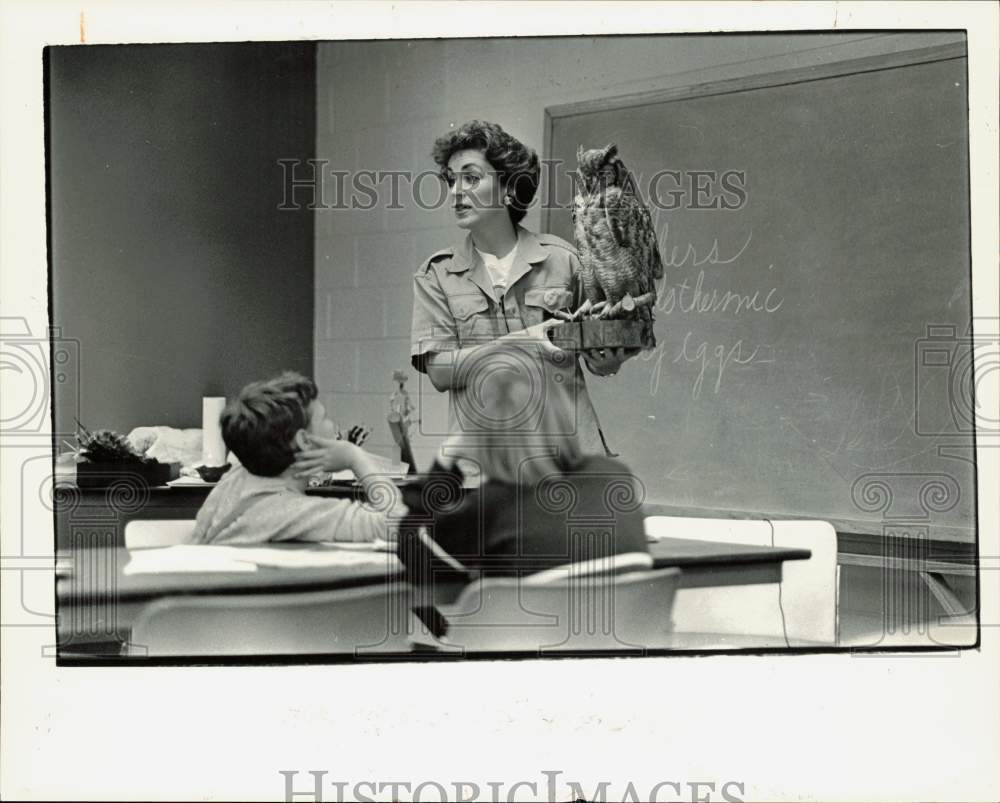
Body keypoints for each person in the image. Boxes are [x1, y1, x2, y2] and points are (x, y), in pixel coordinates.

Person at [410, 120, 638, 456]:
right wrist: (528, 342)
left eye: (471, 178)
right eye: (451, 179)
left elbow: (600, 349)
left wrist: (609, 359)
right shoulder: (438, 274)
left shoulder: (564, 260)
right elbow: (441, 371)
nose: (456, 191)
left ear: (509, 188)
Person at [395, 370, 650, 600]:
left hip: (518, 644)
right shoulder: (616, 476)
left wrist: (445, 459)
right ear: (562, 417)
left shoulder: (493, 504)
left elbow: (412, 543)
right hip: (612, 643)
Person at [190, 371, 401, 545]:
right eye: (324, 418)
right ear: (305, 442)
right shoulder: (292, 511)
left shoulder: (235, 479)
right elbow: (402, 524)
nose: (334, 426)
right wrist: (355, 456)